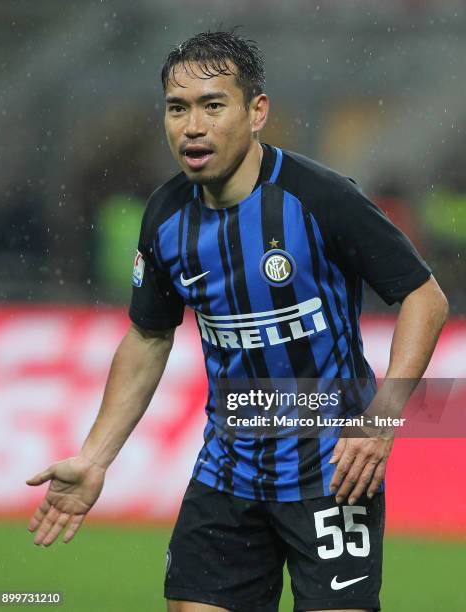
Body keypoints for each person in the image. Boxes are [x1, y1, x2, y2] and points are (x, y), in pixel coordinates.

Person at [27, 30, 448, 612]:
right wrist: (95, 458)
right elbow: (149, 336)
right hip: (227, 471)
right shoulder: (166, 216)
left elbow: (425, 297)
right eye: (177, 109)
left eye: (212, 106)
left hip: (331, 473)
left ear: (257, 113)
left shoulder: (319, 198)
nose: (191, 126)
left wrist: (384, 416)